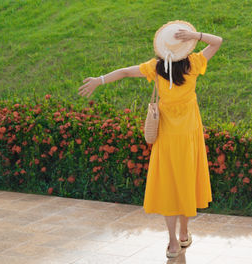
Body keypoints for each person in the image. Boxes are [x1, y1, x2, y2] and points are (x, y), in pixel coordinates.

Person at [79, 20, 223, 259]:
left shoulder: (157, 68)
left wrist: (99, 80)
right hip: (188, 133)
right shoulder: (195, 63)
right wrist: (195, 35)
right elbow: (217, 41)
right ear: (185, 47)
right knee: (186, 179)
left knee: (169, 183)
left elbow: (125, 72)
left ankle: (173, 243)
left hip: (167, 135)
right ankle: (185, 233)